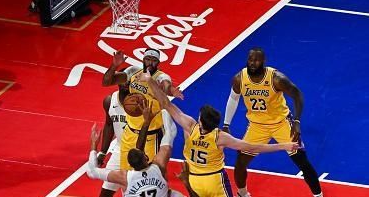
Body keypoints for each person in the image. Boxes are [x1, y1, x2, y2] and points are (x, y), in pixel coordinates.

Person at [136, 70, 299, 197]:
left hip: (194, 179)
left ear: (200, 120)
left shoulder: (190, 126)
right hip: (214, 180)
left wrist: (150, 80)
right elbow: (253, 146)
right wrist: (284, 145)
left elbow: (165, 102)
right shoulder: (220, 137)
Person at [222, 47, 323, 197]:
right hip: (256, 126)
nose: (252, 63)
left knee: (301, 160)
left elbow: (297, 95)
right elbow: (233, 98)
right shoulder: (239, 78)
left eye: (256, 60)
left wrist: (296, 121)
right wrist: (226, 124)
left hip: (281, 123)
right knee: (241, 162)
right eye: (250, 59)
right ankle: (242, 194)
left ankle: (318, 195)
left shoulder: (276, 78)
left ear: (263, 61)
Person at [102, 48, 183, 170]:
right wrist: (114, 65)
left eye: (154, 60)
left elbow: (166, 86)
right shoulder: (133, 72)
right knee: (126, 175)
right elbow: (106, 82)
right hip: (130, 132)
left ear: (158, 63)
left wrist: (172, 91)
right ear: (143, 59)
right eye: (148, 59)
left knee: (150, 173)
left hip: (151, 135)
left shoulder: (160, 77)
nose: (150, 63)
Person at [87, 99, 183, 197]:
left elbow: (92, 171)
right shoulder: (159, 167)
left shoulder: (124, 177)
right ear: (146, 157)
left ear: (129, 164)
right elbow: (170, 133)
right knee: (174, 194)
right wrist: (164, 107)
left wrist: (94, 144)